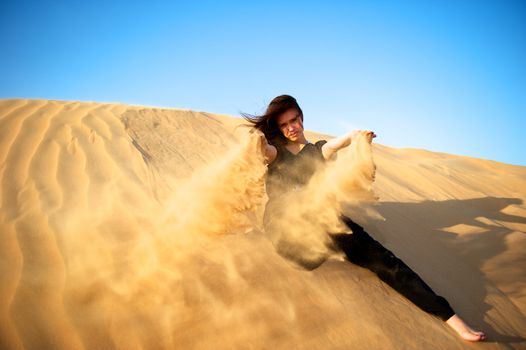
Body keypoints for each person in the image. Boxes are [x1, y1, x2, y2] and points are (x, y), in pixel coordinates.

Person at [243, 94, 486, 342]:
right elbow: (265, 150)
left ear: (302, 117)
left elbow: (337, 145)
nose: (291, 128)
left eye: (294, 120)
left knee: (385, 261)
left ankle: (451, 319)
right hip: (287, 233)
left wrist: (357, 137)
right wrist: (259, 141)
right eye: (284, 125)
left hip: (322, 223)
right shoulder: (276, 154)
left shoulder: (317, 150)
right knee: (307, 213)